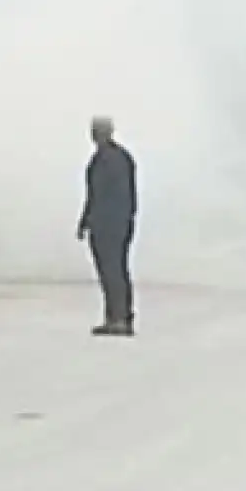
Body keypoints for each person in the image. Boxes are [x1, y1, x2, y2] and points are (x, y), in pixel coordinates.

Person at [78, 115, 139, 336]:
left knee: (113, 270)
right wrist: (85, 220)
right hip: (110, 222)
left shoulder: (111, 159)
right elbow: (93, 194)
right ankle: (117, 316)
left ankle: (120, 317)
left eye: (97, 130)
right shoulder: (113, 157)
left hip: (111, 224)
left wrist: (109, 220)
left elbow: (111, 195)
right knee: (112, 270)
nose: (94, 134)